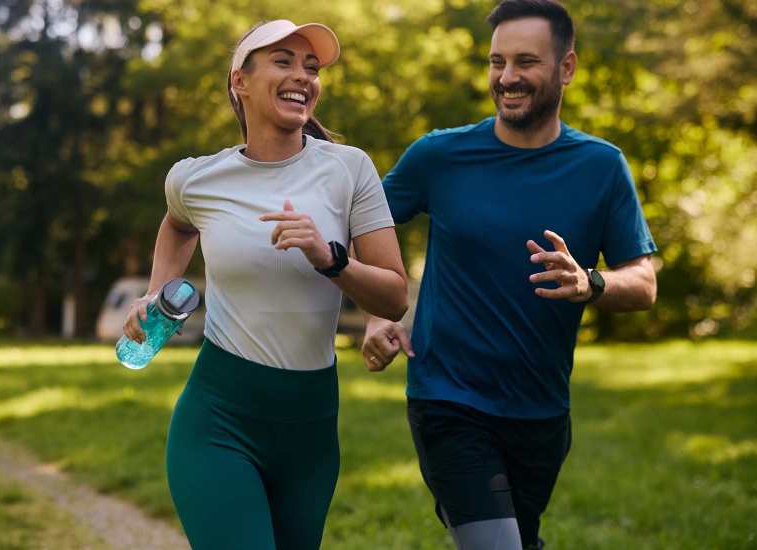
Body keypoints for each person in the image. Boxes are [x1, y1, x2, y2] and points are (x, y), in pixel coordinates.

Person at [362, 1, 658, 549]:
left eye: (526, 61)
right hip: (448, 399)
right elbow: (363, 224)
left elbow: (643, 283)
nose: (507, 77)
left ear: (566, 67)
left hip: (541, 411)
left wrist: (589, 282)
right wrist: (380, 312)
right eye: (497, 62)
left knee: (521, 541)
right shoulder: (439, 156)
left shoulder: (601, 166)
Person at [122, 19, 408, 550]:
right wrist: (157, 291)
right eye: (283, 61)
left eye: (311, 68)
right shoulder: (196, 178)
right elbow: (178, 224)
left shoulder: (350, 170)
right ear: (241, 81)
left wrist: (330, 258)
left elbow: (393, 295)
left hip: (310, 428)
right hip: (219, 419)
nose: (303, 76)